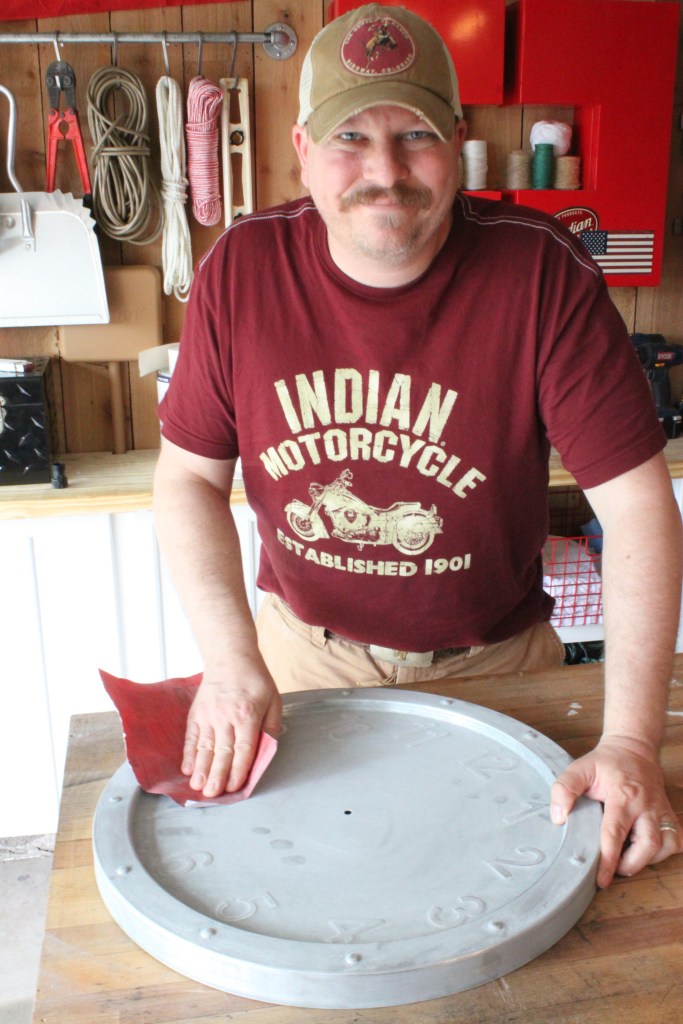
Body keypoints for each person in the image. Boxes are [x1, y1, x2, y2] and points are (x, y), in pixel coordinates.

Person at [153, 3, 683, 888]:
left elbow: (634, 507)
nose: (384, 172)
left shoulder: (542, 269)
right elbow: (187, 483)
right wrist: (230, 661)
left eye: (415, 135)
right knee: (303, 891)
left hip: (497, 663)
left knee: (523, 904)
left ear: (460, 141)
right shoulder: (239, 270)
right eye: (350, 136)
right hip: (300, 661)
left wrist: (631, 740)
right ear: (301, 147)